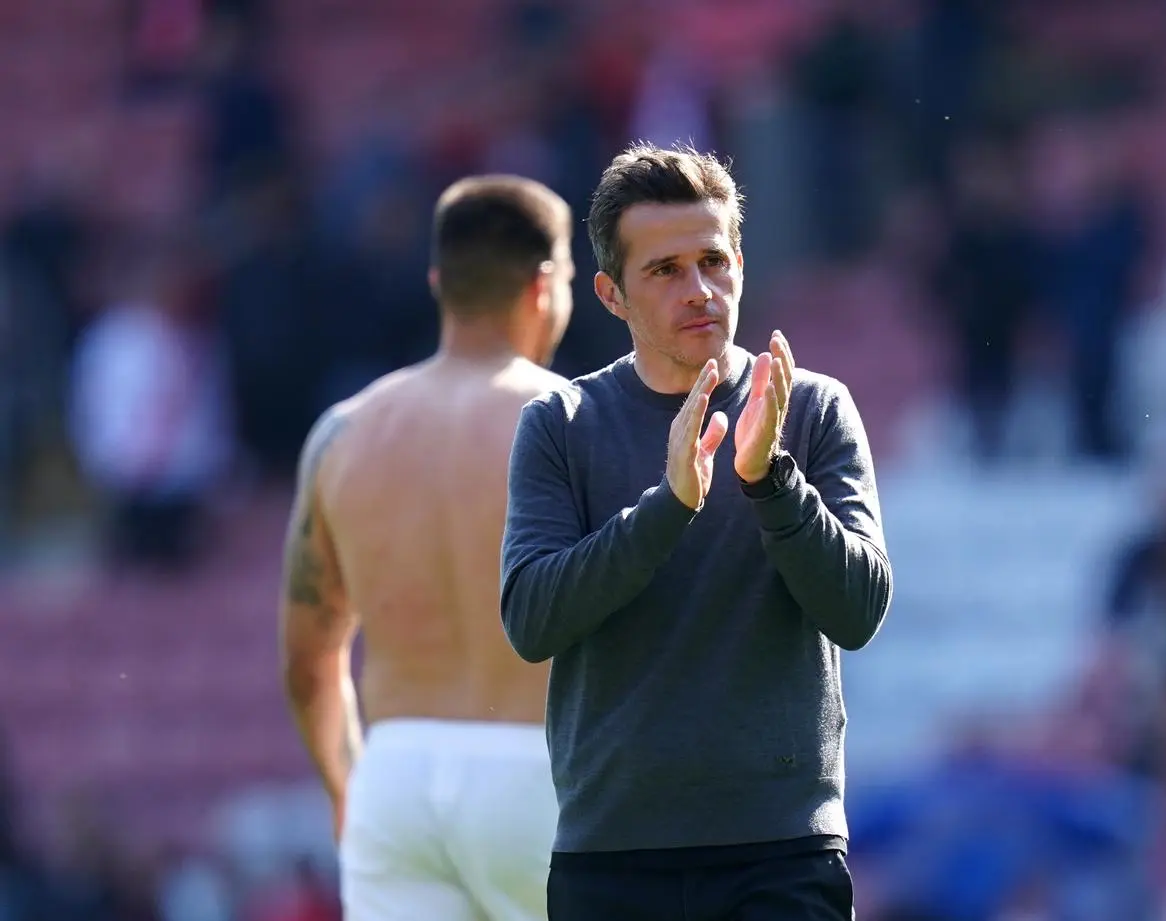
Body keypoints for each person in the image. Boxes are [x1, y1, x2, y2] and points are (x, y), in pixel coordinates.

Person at [501, 143, 894, 920]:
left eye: (714, 261)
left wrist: (771, 479)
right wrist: (668, 504)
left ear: (741, 262)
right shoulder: (561, 424)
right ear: (611, 295)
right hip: (613, 858)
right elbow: (531, 619)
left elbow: (858, 611)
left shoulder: (813, 409)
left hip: (784, 851)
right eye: (666, 270)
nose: (700, 289)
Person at [279, 175, 575, 921]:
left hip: (396, 776)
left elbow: (308, 660)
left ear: (439, 281)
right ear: (544, 286)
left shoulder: (341, 434)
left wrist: (351, 789)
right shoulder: (574, 419)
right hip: (540, 771)